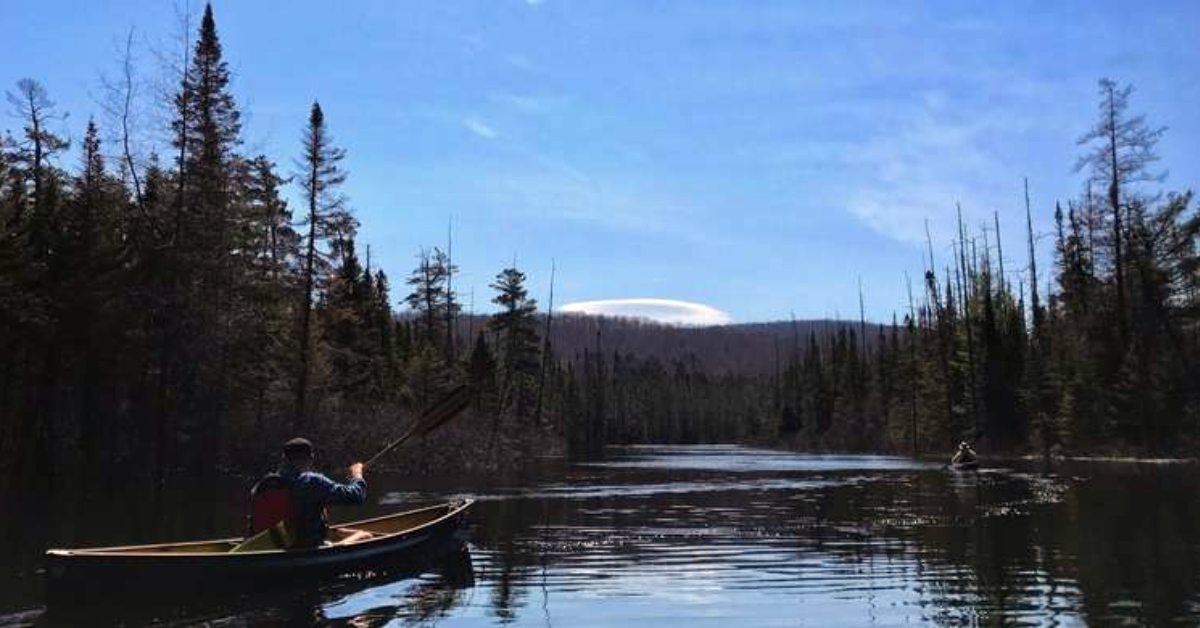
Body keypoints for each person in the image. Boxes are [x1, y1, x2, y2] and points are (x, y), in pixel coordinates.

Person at [253, 437, 373, 547]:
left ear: (284, 458)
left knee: (336, 531)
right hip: (307, 548)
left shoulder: (264, 484)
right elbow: (356, 496)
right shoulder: (312, 481)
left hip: (274, 547)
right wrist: (357, 475)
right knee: (366, 536)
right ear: (311, 458)